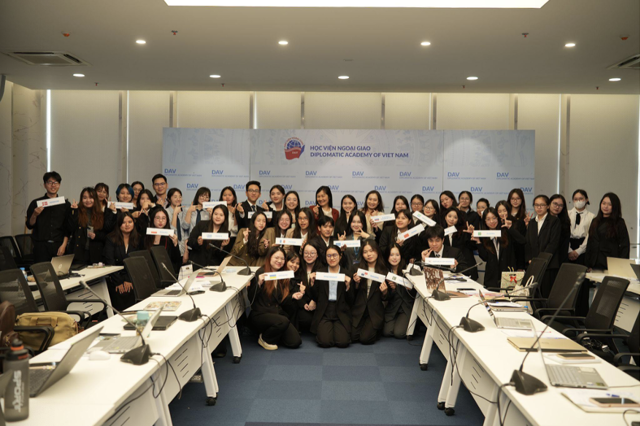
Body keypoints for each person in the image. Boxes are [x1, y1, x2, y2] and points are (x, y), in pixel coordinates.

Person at [248, 247, 302, 350]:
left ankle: (273, 331)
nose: (279, 261)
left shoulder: (282, 274)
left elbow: (281, 299)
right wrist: (258, 283)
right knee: (283, 321)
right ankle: (264, 339)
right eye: (276, 258)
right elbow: (251, 298)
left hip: (276, 313)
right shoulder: (261, 272)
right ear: (269, 258)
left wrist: (293, 296)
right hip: (261, 313)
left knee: (295, 342)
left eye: (282, 259)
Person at [310, 245, 354, 348]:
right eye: (328, 255)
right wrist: (312, 284)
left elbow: (351, 300)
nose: (332, 258)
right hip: (325, 310)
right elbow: (315, 296)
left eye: (334, 255)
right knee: (325, 342)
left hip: (341, 310)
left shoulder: (347, 274)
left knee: (343, 343)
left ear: (340, 256)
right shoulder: (320, 273)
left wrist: (348, 287)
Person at [26, 171, 71, 262]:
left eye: (56, 182)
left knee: (60, 271)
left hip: (59, 245)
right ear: (44, 185)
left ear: (59, 185)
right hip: (41, 246)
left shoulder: (65, 204)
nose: (53, 185)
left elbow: (67, 228)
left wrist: (64, 245)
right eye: (49, 182)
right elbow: (30, 225)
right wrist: (35, 214)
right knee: (41, 271)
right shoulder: (36, 203)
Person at [351, 240, 388, 345]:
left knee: (365, 339)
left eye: (371, 251)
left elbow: (387, 297)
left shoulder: (384, 270)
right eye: (365, 252)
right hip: (360, 309)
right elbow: (351, 294)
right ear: (362, 254)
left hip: (375, 310)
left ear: (377, 251)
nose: (369, 254)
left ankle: (375, 329)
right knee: (352, 337)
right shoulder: (357, 269)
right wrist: (356, 284)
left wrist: (385, 292)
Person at [102, 212, 141, 311]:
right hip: (115, 277)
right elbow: (110, 262)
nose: (127, 225)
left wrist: (129, 279)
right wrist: (118, 282)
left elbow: (138, 262)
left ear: (134, 223)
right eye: (123, 222)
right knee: (118, 294)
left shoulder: (138, 238)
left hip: (132, 276)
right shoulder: (111, 238)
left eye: (130, 222)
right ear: (119, 224)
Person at [67, 187, 115, 265]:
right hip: (79, 253)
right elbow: (70, 228)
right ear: (81, 199)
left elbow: (106, 234)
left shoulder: (101, 214)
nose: (88, 200)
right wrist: (74, 211)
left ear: (95, 199)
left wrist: (96, 236)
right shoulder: (77, 212)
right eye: (85, 198)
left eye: (91, 198)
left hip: (96, 253)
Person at [525, 195, 561, 298]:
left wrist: (541, 260)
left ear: (548, 206)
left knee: (545, 295)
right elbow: (528, 243)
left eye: (542, 205)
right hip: (534, 265)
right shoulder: (532, 222)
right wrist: (530, 259)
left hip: (548, 265)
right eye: (536, 205)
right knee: (533, 294)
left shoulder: (554, 221)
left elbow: (553, 243)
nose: (539, 207)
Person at [473, 208, 517, 289]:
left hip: (507, 276)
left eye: (494, 218)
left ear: (498, 218)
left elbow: (522, 241)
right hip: (491, 278)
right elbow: (484, 257)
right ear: (484, 221)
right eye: (488, 219)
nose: (492, 221)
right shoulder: (483, 235)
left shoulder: (505, 231)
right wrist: (478, 242)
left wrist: (511, 228)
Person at [586, 192, 630, 271]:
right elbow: (590, 242)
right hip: (594, 263)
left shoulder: (619, 222)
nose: (606, 206)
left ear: (615, 206)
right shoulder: (595, 221)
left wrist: (622, 266)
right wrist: (588, 263)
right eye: (604, 203)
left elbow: (625, 245)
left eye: (609, 204)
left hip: (611, 263)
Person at [383, 243, 413, 339]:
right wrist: (390, 290)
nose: (394, 258)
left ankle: (411, 325)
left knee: (398, 333)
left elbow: (414, 294)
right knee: (387, 332)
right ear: (387, 256)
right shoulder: (385, 271)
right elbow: (385, 297)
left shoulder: (408, 270)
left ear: (401, 256)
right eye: (391, 255)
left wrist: (408, 289)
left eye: (397, 254)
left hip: (405, 306)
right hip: (392, 306)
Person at [441, 208, 478, 280]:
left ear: (458, 219)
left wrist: (470, 235)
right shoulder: (441, 232)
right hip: (448, 268)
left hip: (465, 267)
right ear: (445, 217)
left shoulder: (463, 231)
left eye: (455, 217)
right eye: (449, 216)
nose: (452, 219)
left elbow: (472, 246)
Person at [296, 240, 324, 332]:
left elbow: (323, 292)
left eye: (312, 253)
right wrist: (303, 303)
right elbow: (293, 288)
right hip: (302, 303)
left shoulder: (322, 270)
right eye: (306, 253)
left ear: (317, 255)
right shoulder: (298, 268)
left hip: (317, 304)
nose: (309, 256)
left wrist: (314, 300)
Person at [143, 206, 182, 272]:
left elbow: (176, 260)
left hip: (165, 271)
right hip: (149, 271)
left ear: (167, 220)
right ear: (153, 219)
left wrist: (175, 244)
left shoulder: (170, 237)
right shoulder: (146, 237)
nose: (160, 221)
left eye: (163, 218)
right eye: (157, 218)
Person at [568, 189, 595, 266]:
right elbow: (563, 233)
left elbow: (590, 235)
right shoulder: (567, 214)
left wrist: (579, 251)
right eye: (576, 199)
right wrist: (569, 250)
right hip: (568, 245)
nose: (578, 201)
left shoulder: (591, 216)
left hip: (583, 247)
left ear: (586, 200)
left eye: (581, 198)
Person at [166, 188, 188, 265]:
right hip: (172, 247)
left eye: (180, 197)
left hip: (183, 248)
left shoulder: (184, 211)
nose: (178, 199)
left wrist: (186, 250)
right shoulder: (166, 212)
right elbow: (172, 231)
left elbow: (186, 231)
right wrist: (175, 214)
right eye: (175, 197)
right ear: (169, 199)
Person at [507, 189, 528, 270]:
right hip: (506, 254)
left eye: (518, 198)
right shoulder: (505, 216)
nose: (515, 201)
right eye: (512, 198)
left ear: (522, 200)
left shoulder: (525, 218)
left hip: (519, 255)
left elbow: (524, 241)